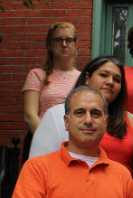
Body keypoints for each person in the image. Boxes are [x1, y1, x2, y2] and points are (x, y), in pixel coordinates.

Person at [29, 56, 133, 175]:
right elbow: (37, 168)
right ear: (87, 78)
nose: (110, 82)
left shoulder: (131, 120)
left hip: (122, 191)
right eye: (103, 75)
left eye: (117, 79)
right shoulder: (57, 114)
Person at [22, 22, 80, 160]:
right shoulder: (37, 75)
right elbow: (30, 116)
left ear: (75, 44)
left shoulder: (83, 78)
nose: (64, 44)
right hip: (40, 142)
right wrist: (49, 141)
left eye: (69, 40)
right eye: (58, 40)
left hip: (74, 146)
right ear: (49, 44)